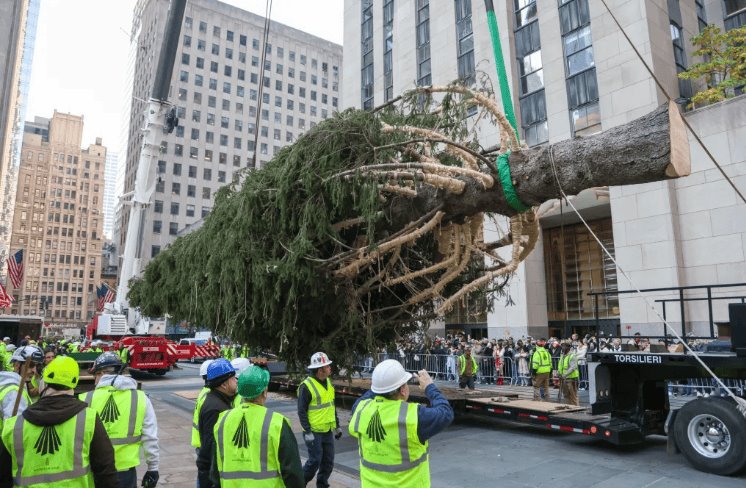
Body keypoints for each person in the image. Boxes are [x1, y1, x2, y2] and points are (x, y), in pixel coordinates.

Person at [0, 355, 119, 487]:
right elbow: (106, 470)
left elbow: (3, 477)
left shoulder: (14, 426)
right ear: (72, 386)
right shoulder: (88, 419)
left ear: (43, 384)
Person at [348, 360, 454, 487]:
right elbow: (446, 413)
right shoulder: (413, 416)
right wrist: (429, 386)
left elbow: (370, 394)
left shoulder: (361, 409)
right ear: (403, 390)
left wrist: (381, 383)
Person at [210, 365, 304, 487]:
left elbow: (215, 470)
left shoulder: (222, 421)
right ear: (264, 391)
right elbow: (293, 473)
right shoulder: (276, 423)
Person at [80, 352, 159, 488]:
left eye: (95, 375)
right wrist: (153, 468)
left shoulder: (85, 398)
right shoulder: (140, 398)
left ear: (101, 373)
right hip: (125, 473)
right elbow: (150, 437)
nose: (94, 380)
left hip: (93, 471)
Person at [297, 352, 341, 488]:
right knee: (315, 461)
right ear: (320, 369)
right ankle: (299, 484)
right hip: (313, 432)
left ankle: (322, 484)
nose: (330, 368)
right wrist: (307, 431)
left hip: (327, 430)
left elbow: (331, 406)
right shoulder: (306, 386)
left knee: (328, 461)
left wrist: (337, 426)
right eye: (328, 366)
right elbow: (301, 411)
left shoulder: (328, 382)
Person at [196, 358, 238, 488]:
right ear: (224, 384)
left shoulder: (219, 400)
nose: (237, 381)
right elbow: (210, 448)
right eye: (233, 378)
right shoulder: (216, 408)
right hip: (212, 478)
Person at [0, 345, 43, 425]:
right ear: (17, 365)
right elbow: (14, 429)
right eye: (31, 365)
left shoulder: (7, 383)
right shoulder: (15, 392)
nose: (34, 370)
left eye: (37, 366)